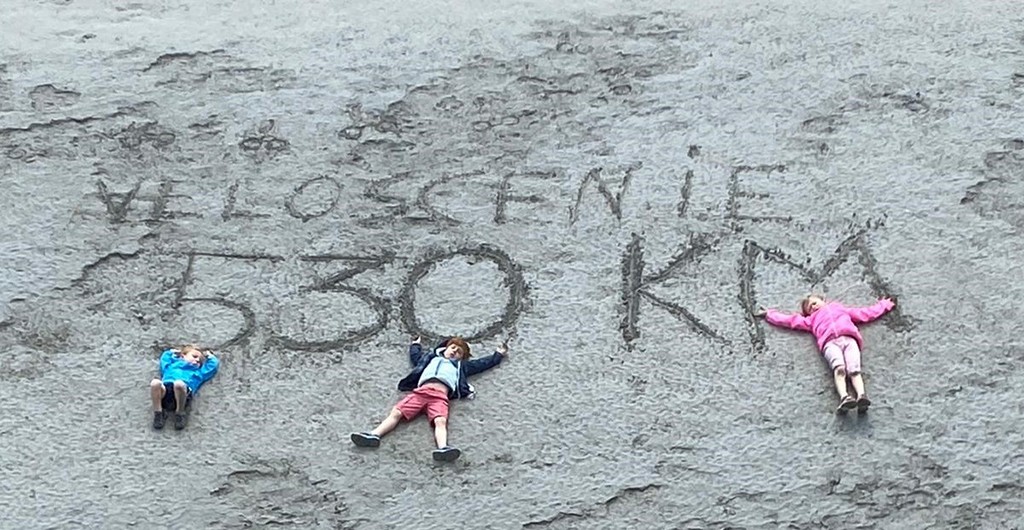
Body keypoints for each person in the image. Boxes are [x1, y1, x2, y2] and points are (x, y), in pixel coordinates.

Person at [351, 336, 508, 462]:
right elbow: (416, 357)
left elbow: (482, 364)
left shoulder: (461, 367)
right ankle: (374, 435)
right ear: (446, 348)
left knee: (440, 421)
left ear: (462, 358)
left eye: (459, 352)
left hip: (440, 397)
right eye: (453, 348)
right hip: (420, 392)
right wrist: (415, 345)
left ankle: (443, 448)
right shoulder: (430, 358)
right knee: (397, 412)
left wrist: (498, 354)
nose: (454, 352)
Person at [755, 294, 895, 413]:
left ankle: (861, 396)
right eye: (810, 308)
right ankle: (845, 397)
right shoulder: (811, 320)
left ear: (823, 300)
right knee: (839, 369)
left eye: (814, 303)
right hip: (830, 343)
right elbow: (790, 320)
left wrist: (884, 305)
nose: (813, 307)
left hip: (849, 339)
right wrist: (769, 314)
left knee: (854, 370)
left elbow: (865, 313)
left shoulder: (839, 309)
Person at [149, 345, 220, 430]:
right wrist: (173, 352)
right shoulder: (171, 367)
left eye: (200, 361)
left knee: (179, 384)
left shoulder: (198, 373)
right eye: (194, 356)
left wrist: (209, 356)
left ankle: (180, 413)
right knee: (155, 383)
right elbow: (164, 359)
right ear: (183, 356)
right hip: (165, 392)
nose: (197, 360)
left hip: (183, 395)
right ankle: (158, 412)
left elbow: (212, 367)